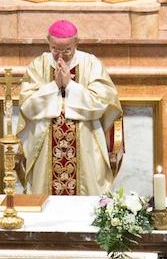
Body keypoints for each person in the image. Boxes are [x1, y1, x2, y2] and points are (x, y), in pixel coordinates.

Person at [17, 19, 122, 196]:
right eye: (55, 49)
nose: (60, 56)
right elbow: (27, 106)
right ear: (48, 42)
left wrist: (70, 86)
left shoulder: (91, 64)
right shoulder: (38, 65)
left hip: (86, 144)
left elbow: (102, 103)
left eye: (67, 50)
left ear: (76, 43)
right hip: (45, 145)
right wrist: (54, 86)